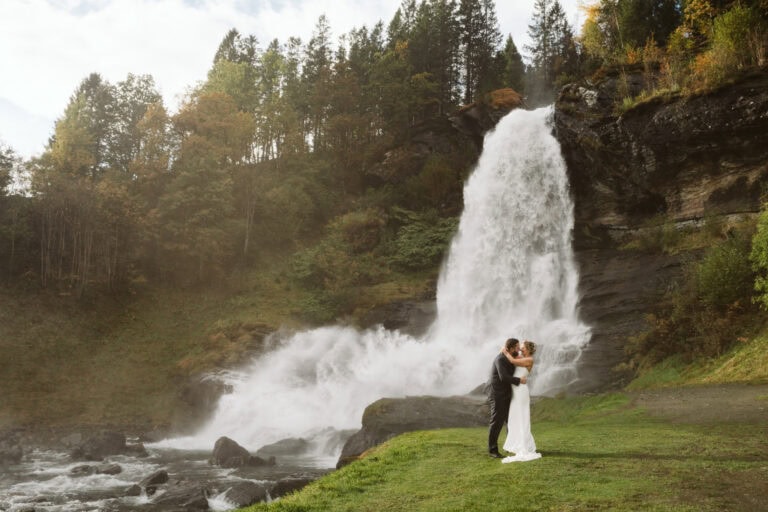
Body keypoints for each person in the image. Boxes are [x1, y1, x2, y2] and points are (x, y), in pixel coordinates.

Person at [501, 340, 541, 462]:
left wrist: (504, 351)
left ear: (528, 350)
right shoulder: (522, 357)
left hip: (521, 392)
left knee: (522, 417)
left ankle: (524, 446)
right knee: (515, 417)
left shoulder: (529, 360)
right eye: (520, 348)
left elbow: (512, 360)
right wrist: (507, 351)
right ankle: (517, 444)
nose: (520, 350)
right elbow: (513, 357)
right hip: (515, 392)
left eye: (523, 348)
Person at [486, 337, 526, 458]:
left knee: (511, 421)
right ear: (512, 348)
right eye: (517, 347)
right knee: (496, 422)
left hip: (507, 394)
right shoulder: (500, 359)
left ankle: (511, 446)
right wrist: (520, 380)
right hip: (497, 394)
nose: (519, 350)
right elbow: (503, 377)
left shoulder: (509, 357)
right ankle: (492, 450)